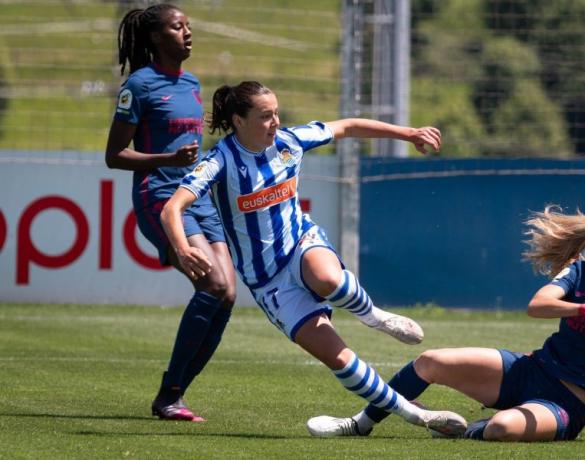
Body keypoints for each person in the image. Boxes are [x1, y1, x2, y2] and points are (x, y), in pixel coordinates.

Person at [159, 80, 467, 434]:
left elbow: (347, 126)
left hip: (301, 244)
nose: (275, 122)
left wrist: (409, 133)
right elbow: (173, 207)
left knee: (328, 278)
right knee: (341, 361)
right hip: (270, 284)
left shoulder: (290, 142)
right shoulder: (220, 161)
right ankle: (419, 416)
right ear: (238, 121)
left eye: (276, 113)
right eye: (265, 116)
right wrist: (183, 250)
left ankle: (375, 317)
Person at [308, 206, 585, 443]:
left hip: (567, 405)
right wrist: (582, 309)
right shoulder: (579, 274)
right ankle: (361, 424)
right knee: (430, 361)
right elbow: (537, 305)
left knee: (500, 430)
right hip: (530, 371)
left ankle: (462, 427)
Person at [105, 3, 236, 422]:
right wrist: (166, 157)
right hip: (160, 198)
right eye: (178, 27)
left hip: (198, 197)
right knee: (212, 284)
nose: (188, 33)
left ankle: (173, 393)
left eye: (188, 26)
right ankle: (170, 394)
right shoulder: (139, 86)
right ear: (157, 38)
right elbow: (114, 155)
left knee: (228, 293)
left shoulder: (192, 82)